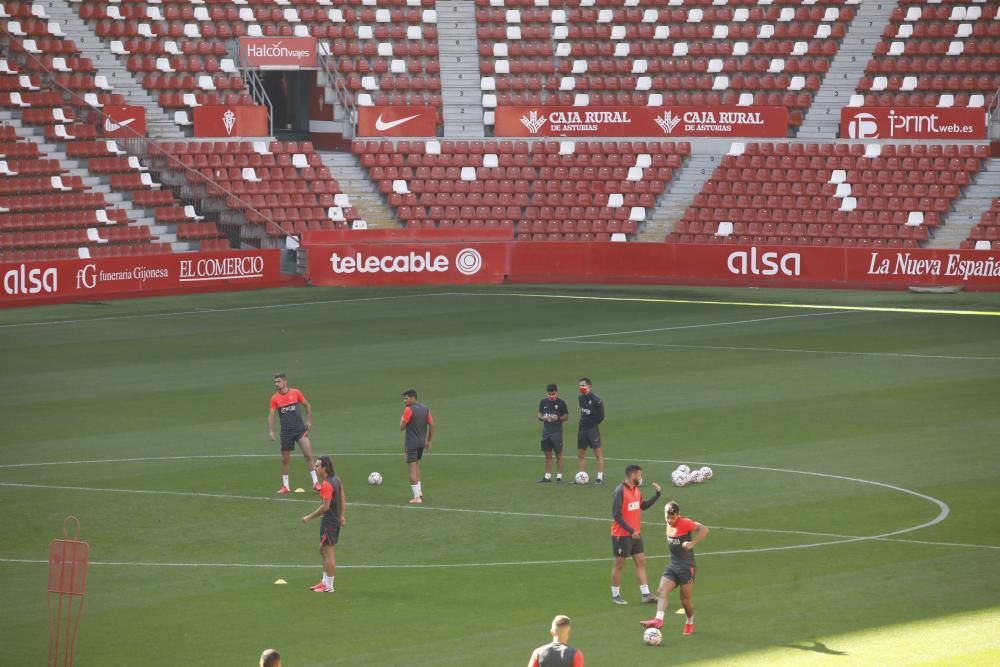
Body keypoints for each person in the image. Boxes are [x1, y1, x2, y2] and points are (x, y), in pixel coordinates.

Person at [640, 500, 710, 635]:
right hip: (673, 565)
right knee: (662, 590)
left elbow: (704, 529)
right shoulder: (667, 523)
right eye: (667, 517)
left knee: (685, 601)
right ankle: (659, 620)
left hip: (686, 567)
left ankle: (689, 622)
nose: (670, 520)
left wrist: (692, 543)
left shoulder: (685, 523)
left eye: (672, 517)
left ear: (678, 515)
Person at [610, 465, 661, 605]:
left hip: (635, 535)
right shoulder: (620, 491)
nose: (640, 477)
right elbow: (616, 515)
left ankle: (646, 594)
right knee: (619, 564)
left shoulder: (636, 490)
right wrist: (631, 530)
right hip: (621, 535)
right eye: (639, 475)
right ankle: (616, 595)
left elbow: (643, 506)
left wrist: (657, 495)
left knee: (640, 562)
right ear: (633, 475)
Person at [267, 372, 318, 494]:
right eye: (275, 382)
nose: (276, 384)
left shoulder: (295, 393)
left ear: (285, 382)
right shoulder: (275, 398)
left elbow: (308, 405)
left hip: (300, 430)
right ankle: (286, 486)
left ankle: (316, 483)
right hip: (286, 432)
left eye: (278, 381)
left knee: (308, 455)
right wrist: (271, 431)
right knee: (285, 460)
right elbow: (271, 415)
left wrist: (309, 421)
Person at [302, 455, 344, 593]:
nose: (315, 468)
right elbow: (342, 496)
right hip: (334, 520)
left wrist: (309, 516)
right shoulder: (336, 480)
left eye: (317, 466)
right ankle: (324, 582)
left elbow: (325, 506)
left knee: (328, 552)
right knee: (322, 549)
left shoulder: (326, 484)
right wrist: (342, 515)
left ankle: (329, 586)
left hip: (329, 522)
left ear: (324, 468)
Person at [400, 389, 434, 504]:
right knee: (416, 466)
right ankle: (419, 492)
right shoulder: (425, 409)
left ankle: (416, 497)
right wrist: (429, 441)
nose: (404, 401)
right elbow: (432, 425)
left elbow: (402, 427)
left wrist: (401, 419)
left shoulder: (408, 410)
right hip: (421, 443)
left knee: (411, 471)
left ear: (413, 397)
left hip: (411, 444)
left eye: (406, 398)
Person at [537, 383, 569, 483]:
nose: (551, 396)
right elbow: (539, 415)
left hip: (556, 432)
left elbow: (566, 417)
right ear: (547, 393)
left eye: (553, 394)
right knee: (547, 454)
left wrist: (557, 418)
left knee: (558, 454)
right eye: (550, 394)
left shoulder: (561, 403)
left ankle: (559, 477)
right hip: (546, 431)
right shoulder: (543, 402)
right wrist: (543, 418)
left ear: (557, 392)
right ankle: (547, 476)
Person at [576, 377, 605, 484]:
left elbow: (601, 416)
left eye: (583, 385)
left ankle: (600, 477)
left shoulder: (596, 399)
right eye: (580, 385)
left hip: (592, 429)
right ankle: (581, 476)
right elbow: (584, 412)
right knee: (581, 453)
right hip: (582, 429)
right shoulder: (580, 398)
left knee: (597, 452)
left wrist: (593, 424)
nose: (581, 387)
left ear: (589, 386)